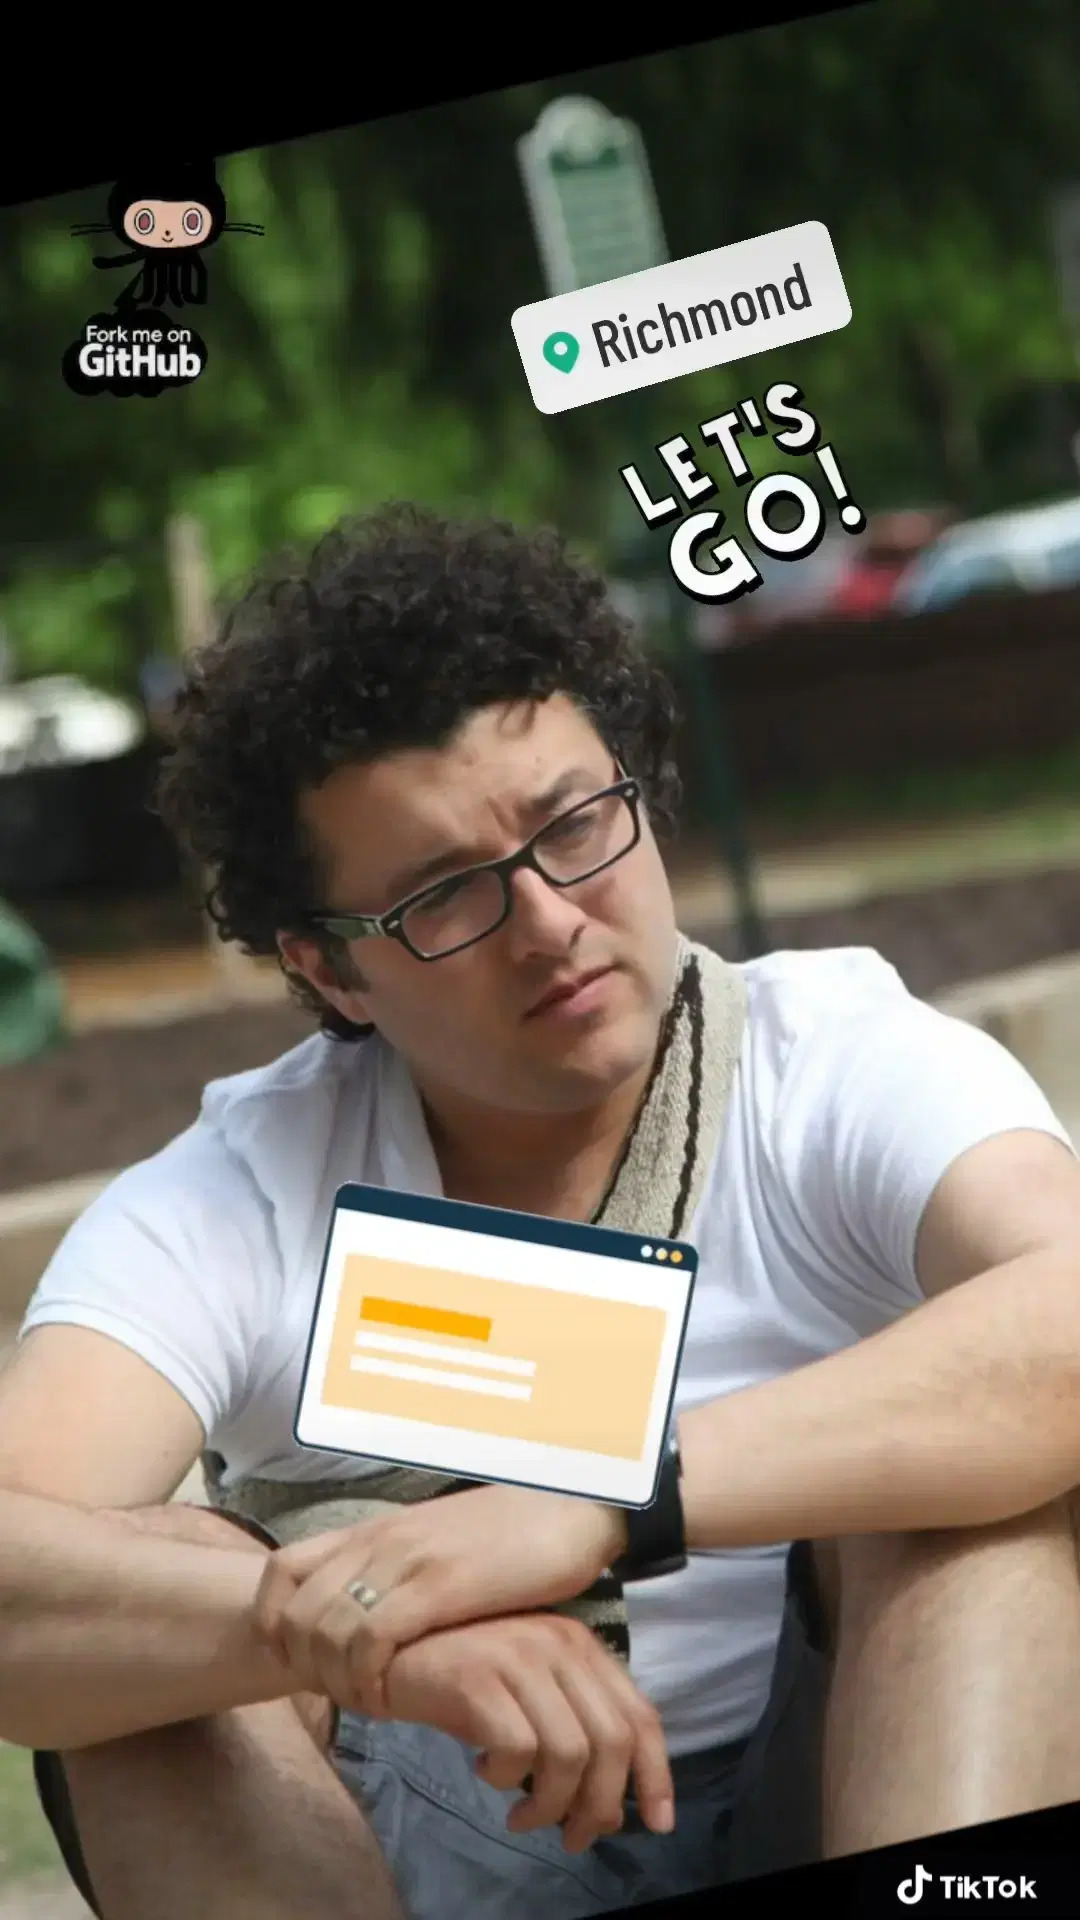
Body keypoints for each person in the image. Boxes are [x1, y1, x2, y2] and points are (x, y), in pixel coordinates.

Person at [2, 503, 1080, 1920]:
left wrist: (602, 1500)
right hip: (424, 1841)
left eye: (575, 824)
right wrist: (349, 1632)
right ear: (329, 970)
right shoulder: (239, 1193)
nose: (551, 919)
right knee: (153, 1629)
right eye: (448, 895)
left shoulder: (839, 1063)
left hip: (850, 1777)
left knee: (978, 1503)